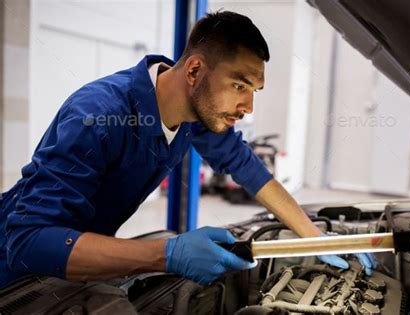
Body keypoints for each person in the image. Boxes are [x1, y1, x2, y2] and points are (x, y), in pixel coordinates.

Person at [0, 11, 376, 288]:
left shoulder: (196, 115)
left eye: (254, 91)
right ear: (194, 71)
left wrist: (316, 238)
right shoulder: (98, 115)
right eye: (239, 85)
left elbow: (251, 171)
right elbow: (30, 240)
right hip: (13, 274)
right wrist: (167, 254)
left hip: (75, 264)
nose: (248, 107)